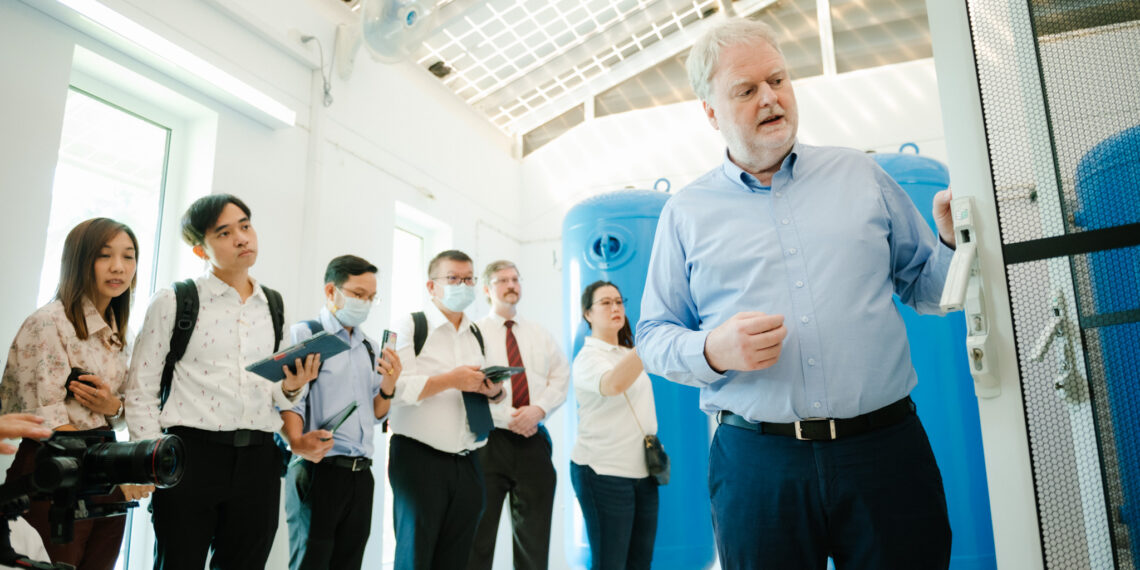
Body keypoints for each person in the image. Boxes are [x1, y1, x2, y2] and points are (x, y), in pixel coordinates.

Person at [635, 18, 958, 570]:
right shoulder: (686, 213)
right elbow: (652, 336)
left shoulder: (861, 175)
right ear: (711, 112)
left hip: (885, 451)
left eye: (778, 80)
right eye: (747, 89)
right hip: (758, 465)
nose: (771, 98)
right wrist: (712, 351)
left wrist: (951, 240)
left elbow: (930, 289)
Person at [124, 194, 320, 570]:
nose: (243, 238)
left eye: (245, 226)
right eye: (225, 233)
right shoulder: (174, 301)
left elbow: (276, 391)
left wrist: (294, 386)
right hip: (190, 456)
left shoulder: (274, 305)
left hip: (260, 461)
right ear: (201, 249)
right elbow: (141, 389)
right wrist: (150, 463)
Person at [0, 217, 146, 570]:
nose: (119, 267)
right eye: (104, 255)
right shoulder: (49, 322)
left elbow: (120, 411)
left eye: (128, 257)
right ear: (79, 261)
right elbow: (46, 422)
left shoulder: (115, 330)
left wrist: (114, 406)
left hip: (103, 467)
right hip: (53, 469)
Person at [387, 249, 505, 570]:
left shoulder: (477, 332)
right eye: (453, 278)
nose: (462, 285)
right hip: (418, 459)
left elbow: (492, 386)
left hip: (468, 461)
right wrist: (451, 380)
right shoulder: (409, 326)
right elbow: (393, 390)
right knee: (415, 557)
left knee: (458, 558)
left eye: (469, 279)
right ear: (431, 286)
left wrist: (493, 391)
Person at [283, 254, 401, 570]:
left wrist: (389, 385)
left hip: (361, 475)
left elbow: (377, 413)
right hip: (318, 469)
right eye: (358, 294)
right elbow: (288, 400)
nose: (364, 303)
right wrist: (297, 440)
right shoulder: (306, 335)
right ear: (331, 291)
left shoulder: (369, 347)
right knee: (311, 562)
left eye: (371, 298)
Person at [469, 260, 569, 570]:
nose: (512, 285)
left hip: (534, 442)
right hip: (489, 441)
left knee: (534, 538)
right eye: (503, 280)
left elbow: (561, 377)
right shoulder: (474, 333)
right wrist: (508, 417)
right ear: (487, 289)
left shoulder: (540, 333)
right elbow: (471, 384)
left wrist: (537, 411)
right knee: (478, 537)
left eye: (515, 279)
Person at [570, 280, 659, 570]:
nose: (615, 308)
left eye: (619, 301)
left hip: (643, 472)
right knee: (610, 563)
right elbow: (613, 384)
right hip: (603, 472)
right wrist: (648, 341)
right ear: (587, 314)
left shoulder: (627, 352)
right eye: (605, 303)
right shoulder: (588, 358)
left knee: (639, 562)